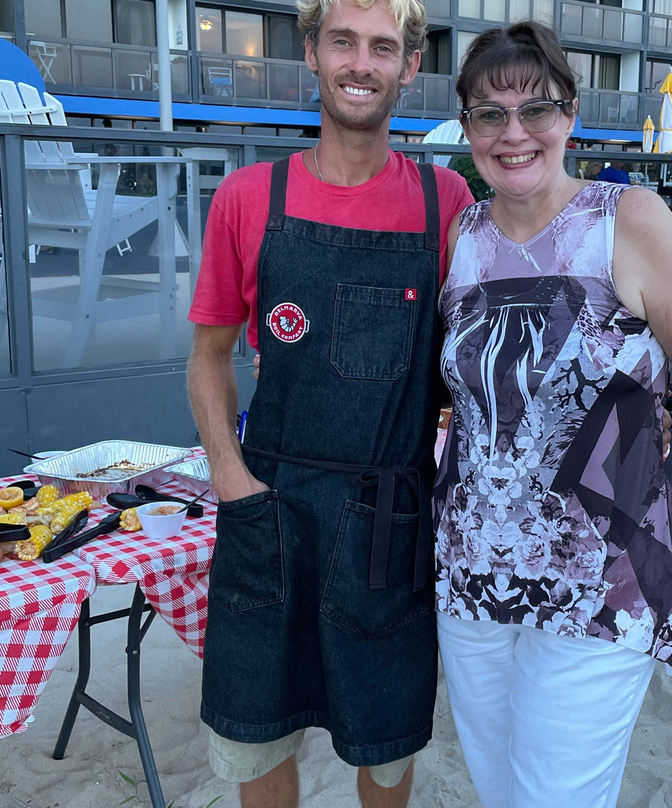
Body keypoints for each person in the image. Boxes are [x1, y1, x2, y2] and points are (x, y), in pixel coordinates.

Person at [433, 22, 672, 808]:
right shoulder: (461, 236)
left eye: (535, 109)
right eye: (489, 114)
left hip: (604, 578)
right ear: (467, 128)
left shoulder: (627, 220)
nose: (514, 133)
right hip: (471, 577)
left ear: (570, 114)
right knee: (500, 789)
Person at [185, 0, 474, 804]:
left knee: (384, 748)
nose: (361, 64)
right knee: (257, 734)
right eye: (343, 41)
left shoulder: (446, 201)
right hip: (269, 511)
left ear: (409, 66)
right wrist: (230, 478)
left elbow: (485, 350)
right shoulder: (248, 196)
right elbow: (208, 356)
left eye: (382, 47)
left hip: (389, 520)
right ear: (311, 51)